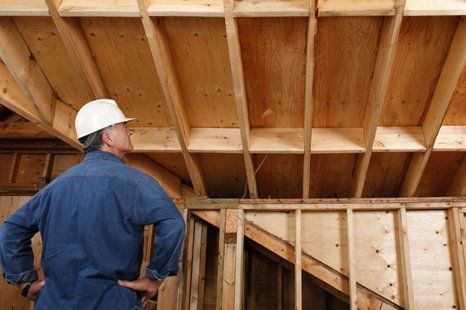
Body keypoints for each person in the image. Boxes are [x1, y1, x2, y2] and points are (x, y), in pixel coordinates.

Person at [0, 99, 185, 309]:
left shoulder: (54, 187)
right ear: (108, 137)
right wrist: (155, 278)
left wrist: (24, 281)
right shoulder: (137, 183)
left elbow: (11, 230)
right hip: (113, 302)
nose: (130, 132)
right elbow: (174, 223)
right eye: (125, 127)